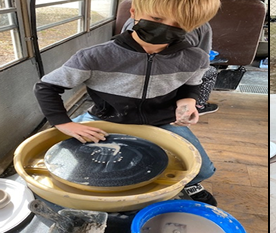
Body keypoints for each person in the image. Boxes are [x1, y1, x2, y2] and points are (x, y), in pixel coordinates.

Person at [33, 0, 221, 206]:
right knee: (58, 157)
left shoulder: (195, 58)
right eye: (156, 19)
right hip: (105, 117)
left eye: (179, 24)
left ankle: (189, 184)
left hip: (162, 121)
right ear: (134, 11)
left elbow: (192, 84)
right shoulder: (94, 57)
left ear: (194, 26)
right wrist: (64, 123)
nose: (166, 27)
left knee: (202, 169)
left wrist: (188, 101)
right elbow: (46, 87)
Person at [122, 18, 219, 115]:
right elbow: (204, 56)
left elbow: (123, 48)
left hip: (132, 76)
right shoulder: (200, 24)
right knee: (211, 71)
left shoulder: (132, 20)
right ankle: (198, 106)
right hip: (174, 84)